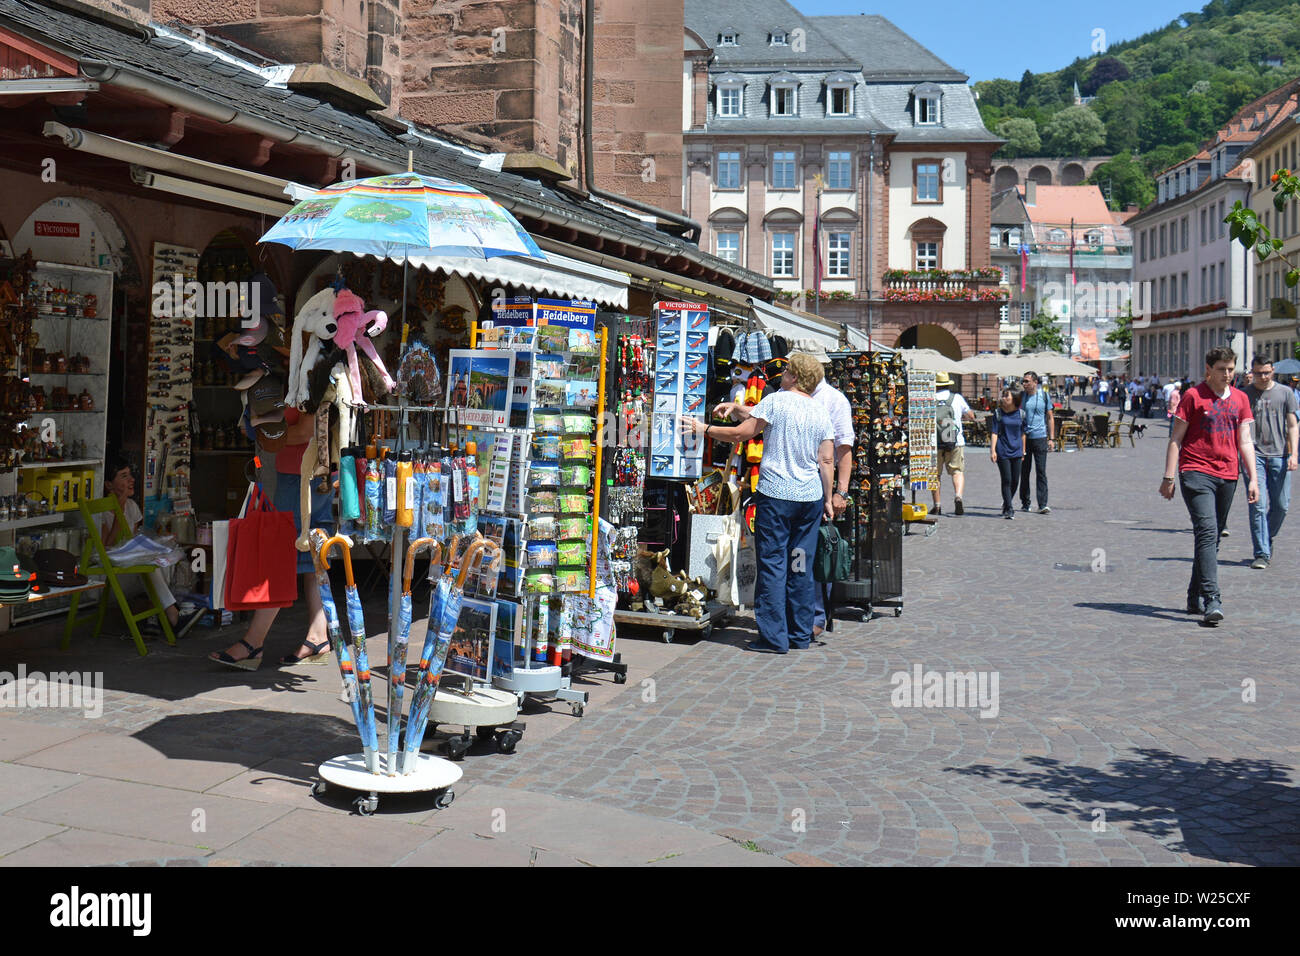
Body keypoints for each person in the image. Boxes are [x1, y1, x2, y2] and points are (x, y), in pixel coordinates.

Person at [684, 352, 833, 653]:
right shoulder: (821, 412)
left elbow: (742, 434)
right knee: (800, 564)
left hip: (777, 496)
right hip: (809, 499)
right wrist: (829, 499)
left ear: (793, 376)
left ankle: (774, 638)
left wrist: (705, 430)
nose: (783, 375)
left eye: (787, 371)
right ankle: (800, 635)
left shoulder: (776, 401)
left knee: (774, 564)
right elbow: (827, 459)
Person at [209, 404, 334, 669]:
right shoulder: (294, 376)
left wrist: (269, 436)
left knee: (281, 551)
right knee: (313, 552)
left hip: (300, 476)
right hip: (309, 472)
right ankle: (318, 636)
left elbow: (306, 431)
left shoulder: (309, 373)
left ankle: (253, 642)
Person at [1160, 346, 1258, 625]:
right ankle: (1212, 599)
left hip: (1228, 473)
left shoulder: (1240, 399)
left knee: (1211, 539)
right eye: (1221, 369)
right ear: (1209, 369)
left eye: (1231, 369)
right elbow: (1176, 438)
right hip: (1195, 471)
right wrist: (1169, 477)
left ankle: (1194, 594)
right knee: (1207, 530)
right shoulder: (1193, 396)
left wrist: (1254, 479)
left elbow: (1245, 441)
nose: (1227, 374)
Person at [98, 456, 204, 637]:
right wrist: (119, 509)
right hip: (110, 576)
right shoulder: (102, 512)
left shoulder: (131, 506)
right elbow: (108, 549)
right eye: (124, 476)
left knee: (161, 559)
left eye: (130, 475)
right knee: (150, 567)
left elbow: (134, 542)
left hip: (130, 569)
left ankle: (156, 618)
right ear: (109, 485)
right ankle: (172, 617)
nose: (131, 480)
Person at [1242, 355, 1299, 570]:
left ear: (1273, 370)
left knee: (1282, 505)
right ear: (1252, 372)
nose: (1263, 377)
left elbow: (1293, 425)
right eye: (1258, 373)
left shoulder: (1285, 393)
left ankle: (1268, 536)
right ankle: (1261, 553)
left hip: (1280, 454)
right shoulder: (1244, 395)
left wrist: (1294, 455)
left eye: (1266, 372)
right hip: (1253, 455)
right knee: (1258, 504)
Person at [932, 371, 975, 516]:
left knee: (935, 475)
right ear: (948, 384)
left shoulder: (930, 398)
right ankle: (958, 496)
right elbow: (971, 415)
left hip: (935, 442)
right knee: (957, 471)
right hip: (955, 441)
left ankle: (937, 505)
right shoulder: (957, 398)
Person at [1019, 371, 1053, 514]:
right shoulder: (1022, 397)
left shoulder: (1044, 396)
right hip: (1025, 438)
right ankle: (1025, 502)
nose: (1024, 384)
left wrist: (1051, 438)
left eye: (1027, 381)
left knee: (1041, 471)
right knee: (1024, 471)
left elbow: (1050, 417)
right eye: (1023, 381)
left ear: (1035, 382)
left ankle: (1042, 504)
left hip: (1040, 437)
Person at [990, 387, 1025, 519]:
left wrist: (1023, 450)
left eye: (1007, 396)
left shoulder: (1021, 414)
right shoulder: (998, 413)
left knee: (1016, 480)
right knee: (1007, 479)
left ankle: (1006, 502)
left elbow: (1023, 433)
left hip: (1017, 450)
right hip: (1002, 450)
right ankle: (1009, 508)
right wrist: (993, 450)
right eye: (1003, 396)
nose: (1003, 398)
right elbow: (994, 432)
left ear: (1014, 399)